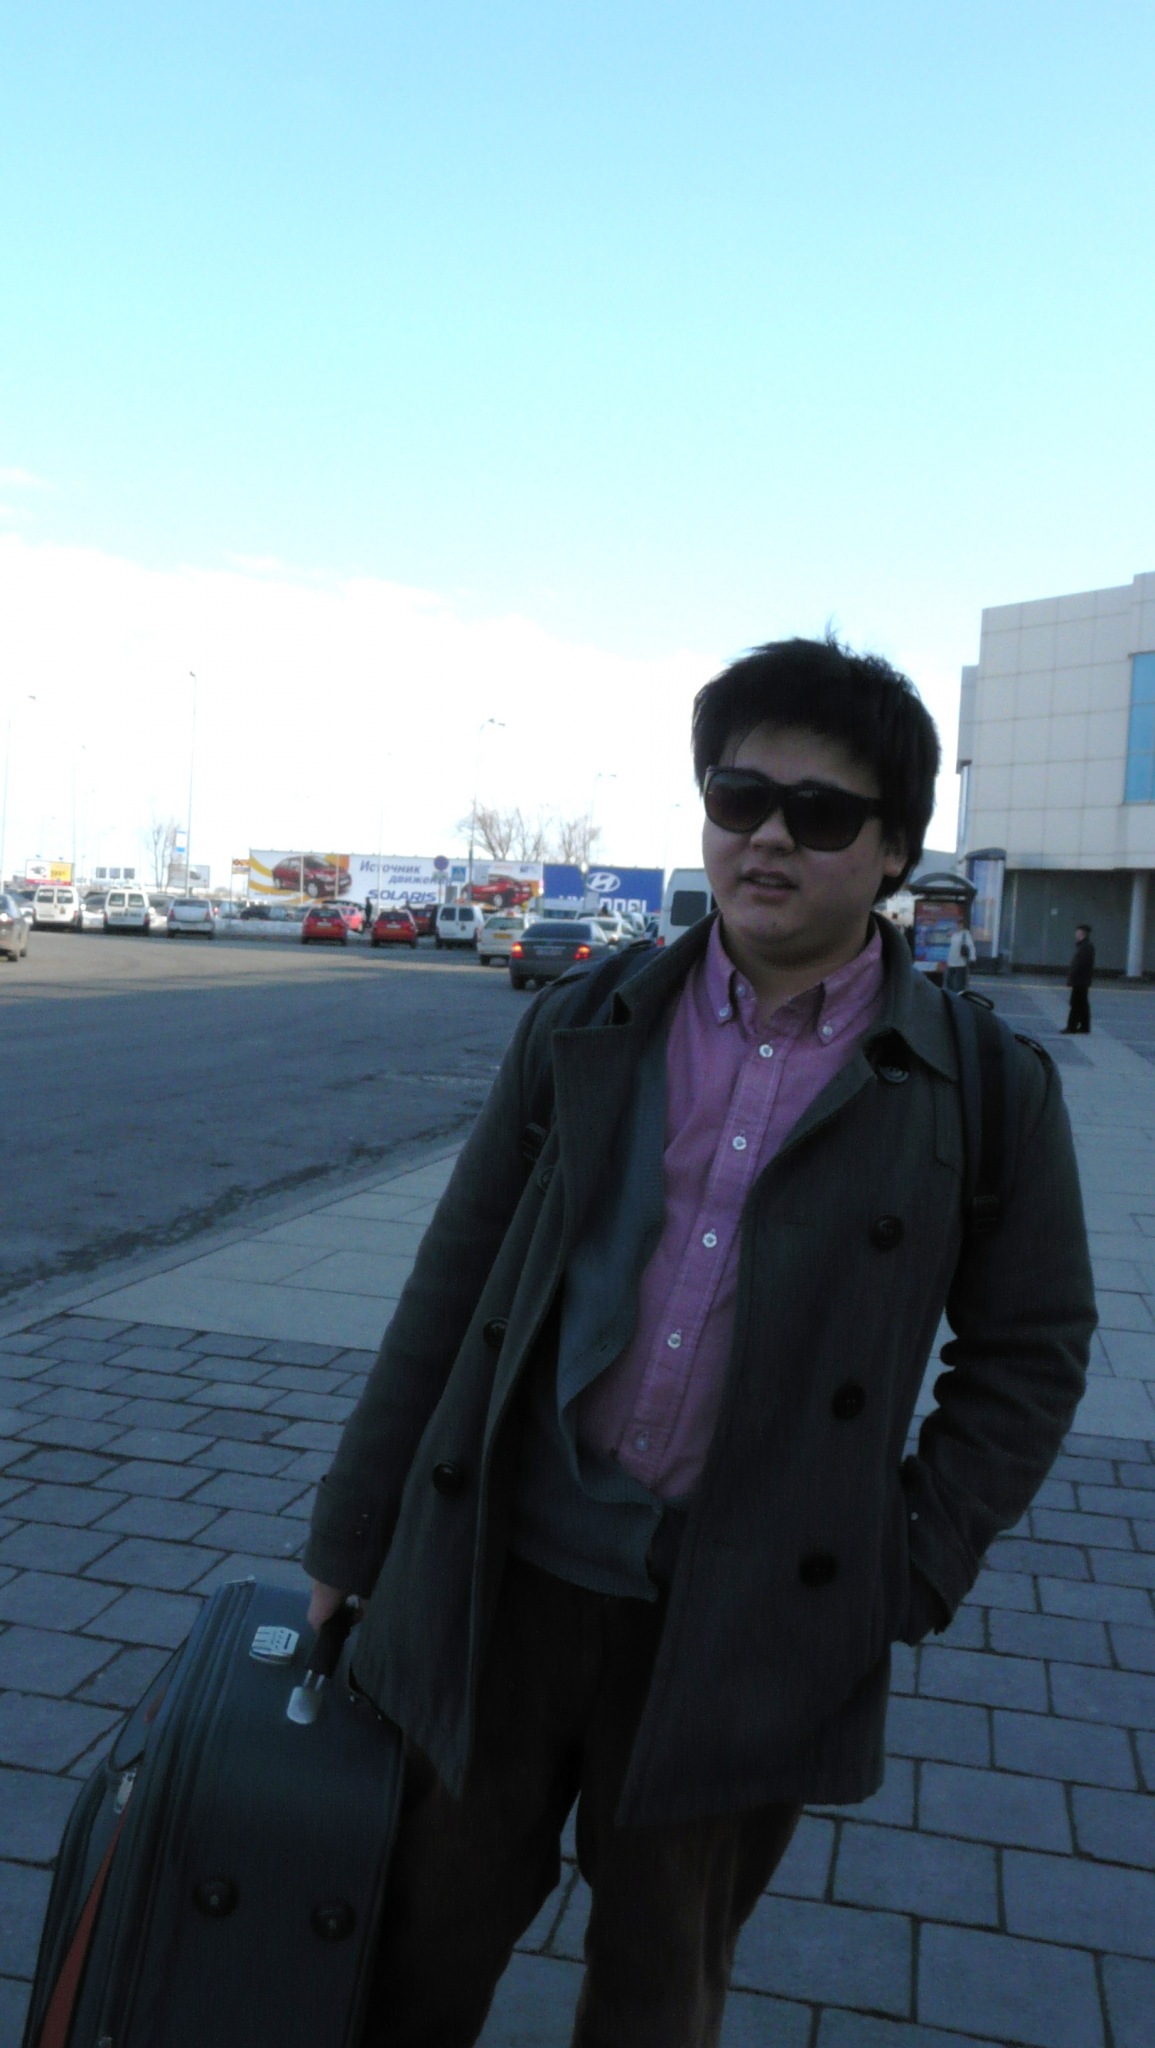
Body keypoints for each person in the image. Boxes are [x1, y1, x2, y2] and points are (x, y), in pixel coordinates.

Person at [304, 635, 1096, 2048]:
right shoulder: (588, 1020)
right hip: (506, 1576)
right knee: (415, 1945)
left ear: (894, 851)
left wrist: (903, 1562)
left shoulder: (981, 1087)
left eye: (821, 813)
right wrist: (350, 1540)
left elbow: (1032, 1348)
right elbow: (451, 1286)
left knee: (658, 1987)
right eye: (740, 798)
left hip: (745, 1617)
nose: (768, 838)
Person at [1062, 923, 1095, 1034]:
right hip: (1082, 981)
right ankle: (1085, 1027)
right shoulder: (1085, 946)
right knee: (1082, 1004)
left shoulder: (1085, 947)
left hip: (1080, 981)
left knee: (1075, 1004)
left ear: (1082, 933)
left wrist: (1072, 978)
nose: (1075, 934)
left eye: (1077, 932)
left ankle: (1071, 1027)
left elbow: (1080, 965)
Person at [944, 920, 977, 992]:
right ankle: (950, 992)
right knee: (949, 979)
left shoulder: (965, 934)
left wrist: (973, 957)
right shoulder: (954, 934)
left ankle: (960, 993)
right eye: (958, 925)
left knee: (960, 980)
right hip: (951, 960)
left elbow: (970, 946)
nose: (959, 927)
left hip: (960, 961)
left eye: (960, 925)